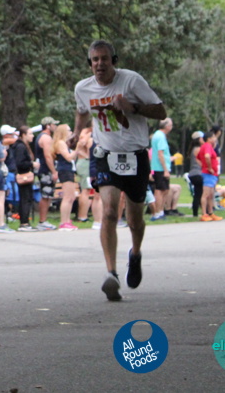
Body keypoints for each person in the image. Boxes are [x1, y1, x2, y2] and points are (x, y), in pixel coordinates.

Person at [71, 40, 167, 301]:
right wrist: (77, 132)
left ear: (114, 60)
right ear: (90, 64)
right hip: (105, 154)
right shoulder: (83, 88)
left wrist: (132, 107)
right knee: (110, 211)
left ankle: (135, 254)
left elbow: (161, 111)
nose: (100, 64)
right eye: (95, 60)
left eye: (104, 59)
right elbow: (82, 111)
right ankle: (111, 273)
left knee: (135, 220)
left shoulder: (131, 81)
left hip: (136, 155)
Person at [52, 123, 78, 231]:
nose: (70, 132)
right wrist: (78, 148)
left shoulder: (65, 143)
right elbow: (68, 157)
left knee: (71, 197)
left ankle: (67, 220)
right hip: (65, 170)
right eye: (69, 130)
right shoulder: (60, 143)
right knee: (67, 197)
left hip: (69, 169)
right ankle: (64, 222)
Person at [33, 117, 58, 230]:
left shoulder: (41, 136)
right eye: (53, 124)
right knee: (45, 195)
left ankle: (44, 220)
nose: (55, 127)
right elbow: (48, 156)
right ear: (48, 126)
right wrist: (53, 171)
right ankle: (42, 221)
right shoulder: (46, 138)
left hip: (44, 169)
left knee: (48, 195)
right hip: (45, 170)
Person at [12, 126, 38, 231]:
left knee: (27, 198)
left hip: (26, 174)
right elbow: (20, 163)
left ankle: (25, 221)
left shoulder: (23, 146)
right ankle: (24, 222)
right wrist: (32, 164)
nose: (32, 136)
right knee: (25, 198)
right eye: (30, 134)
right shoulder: (20, 147)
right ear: (23, 135)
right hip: (24, 175)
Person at [149, 118, 173, 221]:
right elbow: (160, 154)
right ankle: (158, 212)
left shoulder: (157, 135)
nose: (171, 127)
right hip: (160, 168)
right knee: (160, 190)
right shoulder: (160, 137)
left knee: (165, 190)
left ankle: (161, 211)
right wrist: (165, 170)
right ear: (167, 126)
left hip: (159, 167)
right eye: (171, 125)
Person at [197, 129, 222, 221]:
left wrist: (202, 165)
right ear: (209, 138)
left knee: (211, 194)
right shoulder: (207, 146)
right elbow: (207, 156)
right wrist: (209, 167)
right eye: (214, 137)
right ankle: (204, 214)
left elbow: (198, 158)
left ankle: (211, 212)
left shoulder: (205, 146)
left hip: (211, 174)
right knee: (206, 194)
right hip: (208, 173)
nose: (215, 138)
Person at [187, 131, 205, 218]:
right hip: (198, 173)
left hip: (193, 174)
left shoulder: (193, 149)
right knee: (201, 194)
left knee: (197, 194)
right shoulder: (198, 149)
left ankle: (195, 213)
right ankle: (204, 212)